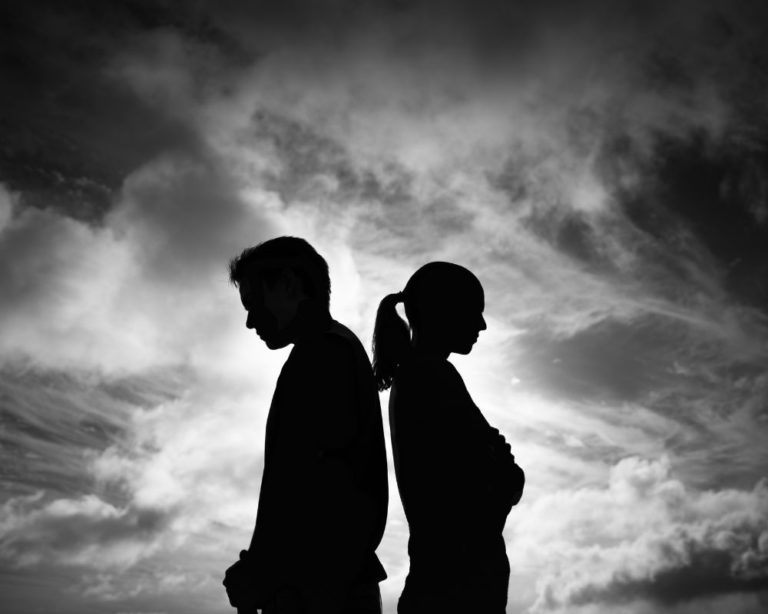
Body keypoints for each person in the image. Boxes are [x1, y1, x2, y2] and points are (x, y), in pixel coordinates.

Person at [224, 237, 388, 614]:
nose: (250, 321)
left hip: (319, 591)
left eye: (254, 303)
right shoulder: (336, 348)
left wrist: (261, 569)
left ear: (288, 285)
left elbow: (307, 487)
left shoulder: (320, 357)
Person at [372, 262, 524, 614]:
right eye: (475, 312)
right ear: (444, 311)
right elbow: (499, 478)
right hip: (454, 586)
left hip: (440, 579)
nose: (482, 325)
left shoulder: (418, 376)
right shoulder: (433, 376)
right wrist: (504, 471)